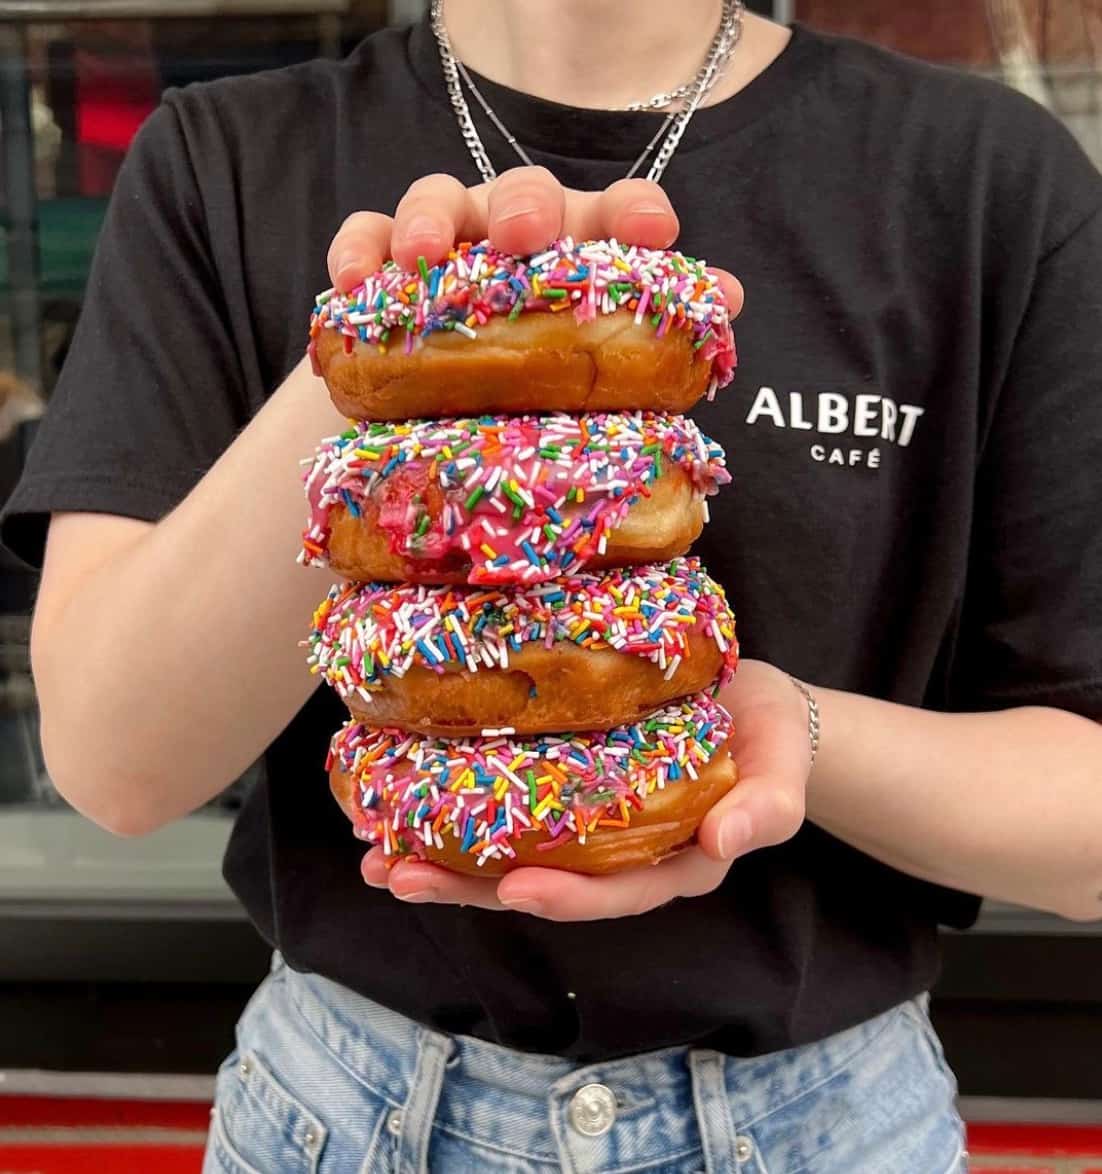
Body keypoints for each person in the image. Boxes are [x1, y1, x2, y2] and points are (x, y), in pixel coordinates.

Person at [4, 2, 1102, 1170]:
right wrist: (385, 351)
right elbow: (116, 766)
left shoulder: (980, 178)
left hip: (826, 1126)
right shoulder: (225, 159)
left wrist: (796, 736)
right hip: (337, 1114)